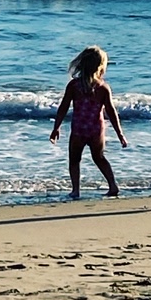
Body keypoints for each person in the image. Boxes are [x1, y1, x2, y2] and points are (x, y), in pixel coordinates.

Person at [50, 46, 128, 200]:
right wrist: (120, 134)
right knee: (99, 157)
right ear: (100, 67)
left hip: (79, 129)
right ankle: (112, 185)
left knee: (74, 159)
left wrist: (56, 127)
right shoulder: (103, 88)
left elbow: (63, 107)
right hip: (96, 130)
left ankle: (75, 190)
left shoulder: (74, 86)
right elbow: (111, 112)